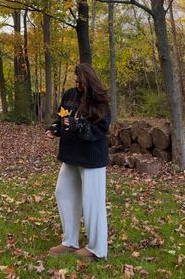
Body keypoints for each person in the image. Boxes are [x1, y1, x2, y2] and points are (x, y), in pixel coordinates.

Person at [45, 63, 111, 260]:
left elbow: (99, 130)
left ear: (88, 81)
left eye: (79, 81)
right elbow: (62, 118)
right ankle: (70, 241)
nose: (76, 84)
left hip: (92, 157)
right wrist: (54, 129)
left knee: (93, 202)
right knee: (62, 191)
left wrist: (75, 124)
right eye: (75, 80)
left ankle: (97, 249)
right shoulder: (69, 95)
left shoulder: (99, 101)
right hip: (71, 154)